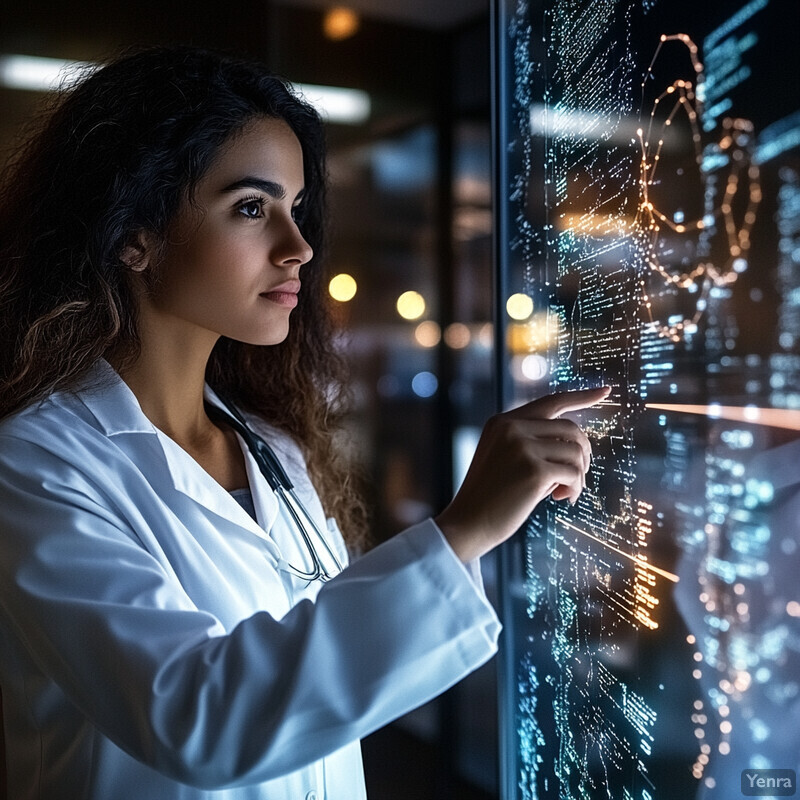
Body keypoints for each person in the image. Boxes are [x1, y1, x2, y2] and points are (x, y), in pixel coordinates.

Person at [0, 46, 609, 799]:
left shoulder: (271, 450)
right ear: (135, 234)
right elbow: (196, 717)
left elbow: (311, 688)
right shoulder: (33, 464)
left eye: (294, 207)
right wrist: (465, 530)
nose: (299, 247)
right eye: (251, 208)